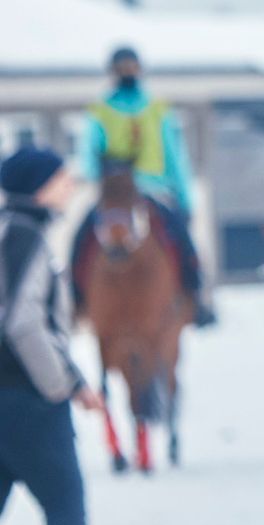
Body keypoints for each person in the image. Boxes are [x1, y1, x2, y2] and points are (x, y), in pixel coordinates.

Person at [0, 148, 100, 525]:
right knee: (65, 504)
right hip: (14, 393)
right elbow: (23, 323)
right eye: (62, 177)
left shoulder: (1, 230)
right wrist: (60, 387)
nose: (71, 184)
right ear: (39, 186)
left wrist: (76, 382)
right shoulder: (23, 235)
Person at [70, 47, 211, 327]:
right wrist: (104, 173)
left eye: (131, 66)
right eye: (121, 67)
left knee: (181, 239)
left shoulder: (158, 109)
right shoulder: (99, 110)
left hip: (152, 189)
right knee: (82, 238)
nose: (127, 72)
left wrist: (185, 199)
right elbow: (88, 155)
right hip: (114, 193)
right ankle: (78, 300)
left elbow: (175, 155)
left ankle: (194, 296)